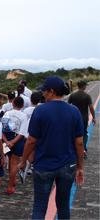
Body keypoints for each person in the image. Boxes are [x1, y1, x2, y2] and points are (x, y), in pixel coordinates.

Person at [19, 76, 84, 219]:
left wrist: (23, 161)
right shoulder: (74, 111)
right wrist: (80, 167)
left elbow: (31, 140)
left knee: (39, 206)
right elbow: (79, 142)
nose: (43, 93)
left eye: (44, 91)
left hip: (44, 165)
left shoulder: (40, 111)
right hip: (68, 165)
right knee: (63, 205)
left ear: (52, 91)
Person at [2, 97, 28, 194]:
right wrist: (13, 142)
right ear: (22, 105)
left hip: (6, 139)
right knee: (14, 163)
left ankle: (12, 181)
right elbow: (22, 133)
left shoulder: (7, 113)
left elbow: (2, 130)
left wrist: (7, 141)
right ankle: (10, 186)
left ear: (12, 104)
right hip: (18, 140)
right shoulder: (23, 116)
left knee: (9, 161)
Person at [68, 80, 96, 158]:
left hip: (73, 118)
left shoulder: (72, 95)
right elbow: (91, 108)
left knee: (73, 133)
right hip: (83, 118)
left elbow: (67, 106)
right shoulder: (87, 96)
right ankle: (83, 150)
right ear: (83, 86)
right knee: (83, 133)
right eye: (85, 85)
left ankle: (73, 149)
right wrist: (93, 117)